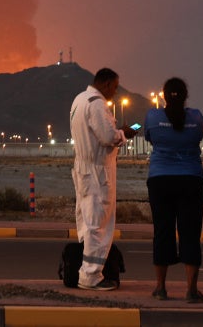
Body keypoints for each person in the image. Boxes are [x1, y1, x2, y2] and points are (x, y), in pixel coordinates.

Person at [69, 67, 138, 291]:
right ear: (107, 84)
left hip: (83, 169)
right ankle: (91, 276)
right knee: (98, 225)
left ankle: (87, 270)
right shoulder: (97, 104)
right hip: (98, 173)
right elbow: (108, 136)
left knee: (87, 223)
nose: (115, 93)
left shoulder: (79, 99)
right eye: (115, 88)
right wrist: (124, 134)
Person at [143, 77, 203, 303]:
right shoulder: (197, 117)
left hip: (160, 179)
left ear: (163, 95)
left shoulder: (153, 116)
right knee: (190, 233)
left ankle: (160, 288)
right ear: (185, 95)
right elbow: (199, 136)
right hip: (191, 179)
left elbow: (149, 137)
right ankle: (191, 290)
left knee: (162, 232)